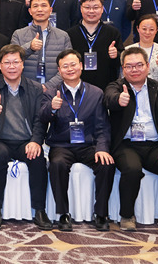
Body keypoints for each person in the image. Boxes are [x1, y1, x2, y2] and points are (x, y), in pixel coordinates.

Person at [104, 47, 158, 232]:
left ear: (147, 66)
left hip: (154, 145)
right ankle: (126, 215)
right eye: (129, 66)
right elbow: (108, 98)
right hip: (126, 145)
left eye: (139, 65)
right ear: (123, 69)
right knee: (132, 169)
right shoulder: (116, 87)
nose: (134, 70)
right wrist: (118, 100)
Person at [0, 45, 52, 231]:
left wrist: (35, 141)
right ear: (0, 65)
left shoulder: (35, 88)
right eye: (7, 63)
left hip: (25, 141)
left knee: (37, 159)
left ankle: (40, 210)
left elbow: (40, 119)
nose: (11, 67)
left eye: (15, 62)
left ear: (22, 64)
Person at [42, 49, 114, 232]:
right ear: (59, 70)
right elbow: (41, 118)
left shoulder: (96, 93)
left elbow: (102, 126)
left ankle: (101, 213)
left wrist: (102, 148)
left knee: (106, 164)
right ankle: (63, 213)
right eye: (65, 66)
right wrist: (51, 108)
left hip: (88, 145)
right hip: (62, 145)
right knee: (57, 164)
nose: (70, 69)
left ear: (81, 66)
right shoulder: (51, 93)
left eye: (73, 64)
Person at [11, 0, 70, 89]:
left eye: (44, 6)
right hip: (26, 90)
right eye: (35, 6)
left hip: (54, 91)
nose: (39, 9)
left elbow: (68, 66)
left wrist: (48, 87)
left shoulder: (63, 36)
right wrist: (29, 47)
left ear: (50, 10)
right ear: (30, 11)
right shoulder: (18, 34)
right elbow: (12, 62)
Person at [66, 0, 123, 91]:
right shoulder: (70, 34)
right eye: (87, 7)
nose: (91, 11)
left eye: (96, 7)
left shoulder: (112, 32)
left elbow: (122, 61)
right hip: (77, 87)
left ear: (102, 9)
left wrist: (116, 55)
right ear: (81, 8)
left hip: (107, 87)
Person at [126, 14, 158, 83]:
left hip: (157, 88)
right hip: (134, 87)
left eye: (151, 29)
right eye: (144, 29)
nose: (147, 32)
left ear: (156, 30)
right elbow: (124, 73)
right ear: (138, 29)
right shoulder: (128, 50)